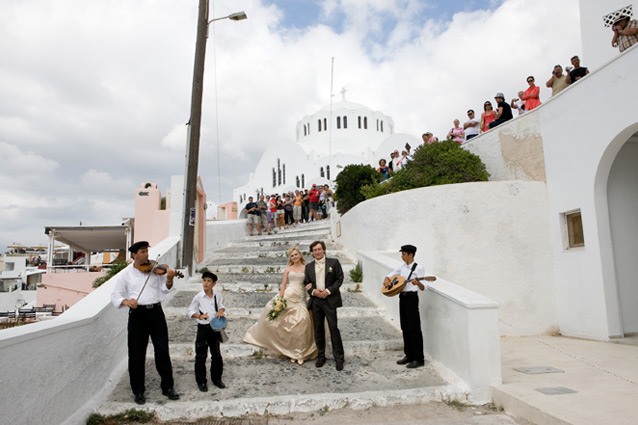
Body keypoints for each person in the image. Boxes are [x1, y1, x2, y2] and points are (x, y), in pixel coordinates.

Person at [111, 241, 180, 405]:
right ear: (134, 255)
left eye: (147, 252)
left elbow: (166, 288)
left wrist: (170, 278)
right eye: (142, 252)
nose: (146, 255)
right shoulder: (126, 275)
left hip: (156, 312)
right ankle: (138, 391)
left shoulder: (156, 271)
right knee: (136, 354)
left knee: (162, 350)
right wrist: (127, 301)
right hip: (137, 315)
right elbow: (115, 295)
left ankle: (168, 387)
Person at [244, 247, 318, 363]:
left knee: (302, 322)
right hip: (288, 296)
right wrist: (280, 298)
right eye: (292, 255)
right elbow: (283, 284)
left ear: (300, 255)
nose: (294, 257)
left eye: (296, 254)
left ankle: (299, 353)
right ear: (290, 258)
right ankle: (291, 352)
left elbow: (309, 282)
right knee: (285, 322)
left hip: (300, 298)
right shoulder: (288, 269)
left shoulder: (306, 268)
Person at [383, 244, 436, 369]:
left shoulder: (419, 268)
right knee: (405, 326)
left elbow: (424, 287)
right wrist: (386, 278)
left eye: (404, 254)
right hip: (402, 298)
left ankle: (419, 358)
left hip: (412, 298)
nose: (402, 256)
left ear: (410, 255)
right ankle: (409, 355)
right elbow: (391, 275)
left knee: (414, 328)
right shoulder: (402, 267)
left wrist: (418, 283)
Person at [304, 240, 345, 371]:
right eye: (314, 250)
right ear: (312, 252)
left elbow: (340, 278)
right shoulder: (309, 266)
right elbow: (306, 282)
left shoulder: (334, 263)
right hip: (316, 301)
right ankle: (321, 356)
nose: (317, 252)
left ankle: (339, 358)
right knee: (318, 329)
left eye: (319, 249)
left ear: (324, 250)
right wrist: (313, 291)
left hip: (330, 300)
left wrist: (328, 291)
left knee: (334, 328)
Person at [187, 271, 226, 392]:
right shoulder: (198, 297)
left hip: (214, 329)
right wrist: (199, 316)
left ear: (214, 284)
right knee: (201, 356)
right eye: (204, 280)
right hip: (203, 328)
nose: (206, 283)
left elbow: (221, 305)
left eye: (209, 281)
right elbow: (190, 311)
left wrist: (221, 311)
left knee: (217, 355)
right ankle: (201, 381)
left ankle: (217, 378)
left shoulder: (217, 296)